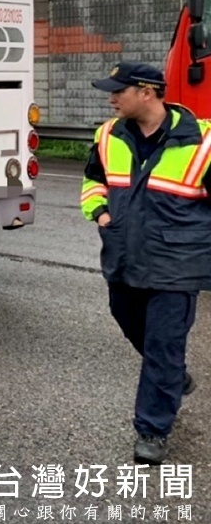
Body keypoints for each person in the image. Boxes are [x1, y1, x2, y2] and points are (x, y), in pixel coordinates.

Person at [80, 61, 211, 464]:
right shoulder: (108, 135)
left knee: (162, 342)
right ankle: (172, 377)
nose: (112, 98)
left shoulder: (203, 141)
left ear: (147, 92)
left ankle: (152, 431)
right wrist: (101, 213)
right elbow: (92, 179)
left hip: (178, 261)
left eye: (119, 91)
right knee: (126, 317)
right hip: (124, 253)